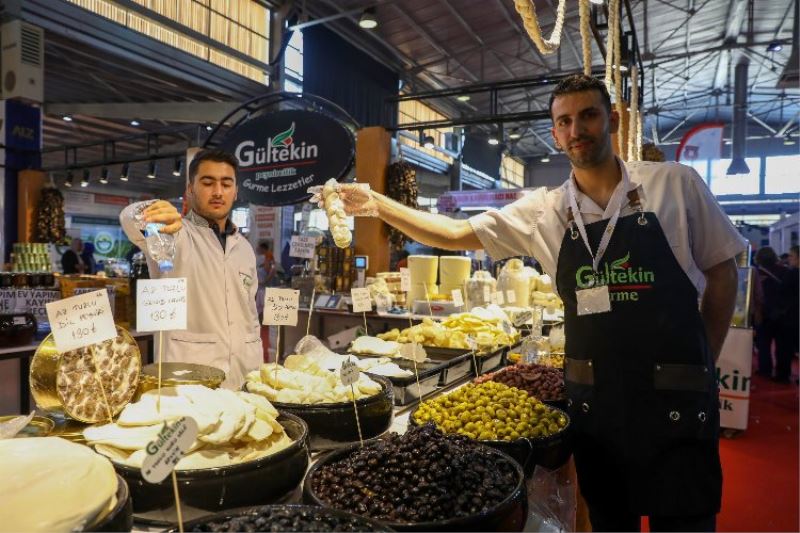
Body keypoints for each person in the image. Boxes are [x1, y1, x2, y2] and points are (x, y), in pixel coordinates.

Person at [337, 75, 745, 532]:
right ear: (554, 134)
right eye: (564, 121)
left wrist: (702, 358)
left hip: (677, 400)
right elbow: (453, 233)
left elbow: (723, 271)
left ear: (610, 119)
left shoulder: (675, 185)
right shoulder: (544, 210)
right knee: (611, 521)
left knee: (687, 521)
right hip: (599, 407)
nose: (577, 130)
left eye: (588, 115)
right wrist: (376, 203)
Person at [119, 148, 262, 389]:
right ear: (190, 189)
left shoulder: (245, 248)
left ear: (236, 191)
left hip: (243, 376)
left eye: (226, 184)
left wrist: (257, 365)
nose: (218, 192)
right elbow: (129, 220)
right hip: (188, 378)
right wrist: (153, 210)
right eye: (208, 183)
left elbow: (250, 314)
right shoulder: (173, 235)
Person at [753, 247, 794, 383]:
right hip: (784, 315)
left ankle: (765, 370)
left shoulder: (756, 274)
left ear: (758, 259)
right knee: (783, 347)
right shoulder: (786, 271)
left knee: (764, 344)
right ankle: (783, 374)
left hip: (764, 314)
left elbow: (757, 296)